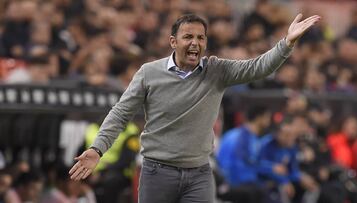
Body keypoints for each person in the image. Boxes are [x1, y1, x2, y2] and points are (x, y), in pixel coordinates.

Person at [69, 13, 321, 202]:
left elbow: (258, 67)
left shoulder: (217, 70)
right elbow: (121, 113)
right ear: (172, 41)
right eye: (188, 36)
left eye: (200, 38)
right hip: (158, 172)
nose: (195, 43)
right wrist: (97, 148)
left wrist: (286, 44)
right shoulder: (149, 73)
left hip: (199, 174)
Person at [216, 106, 272, 203]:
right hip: (233, 183)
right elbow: (233, 165)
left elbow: (253, 163)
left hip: (245, 183)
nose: (269, 121)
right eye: (267, 117)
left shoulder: (253, 137)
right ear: (259, 118)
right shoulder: (241, 137)